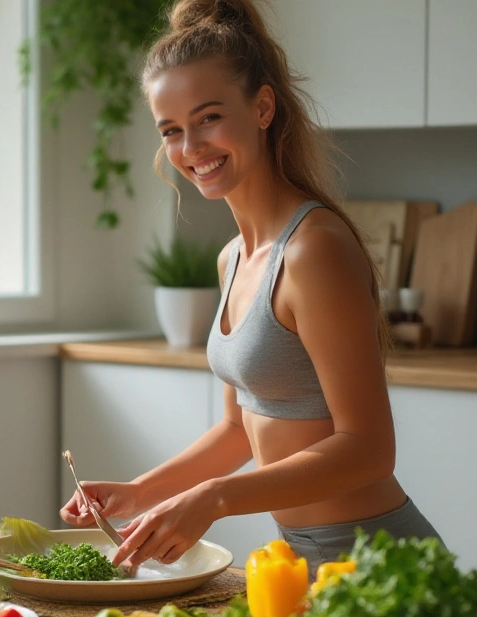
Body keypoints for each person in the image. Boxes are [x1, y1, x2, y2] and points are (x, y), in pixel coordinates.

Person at [60, 0, 442, 577]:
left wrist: (214, 499)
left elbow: (368, 447)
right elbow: (241, 428)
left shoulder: (314, 250)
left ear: (263, 107)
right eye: (172, 131)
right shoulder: (232, 259)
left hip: (376, 560)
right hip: (298, 560)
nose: (191, 148)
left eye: (209, 118)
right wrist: (140, 492)